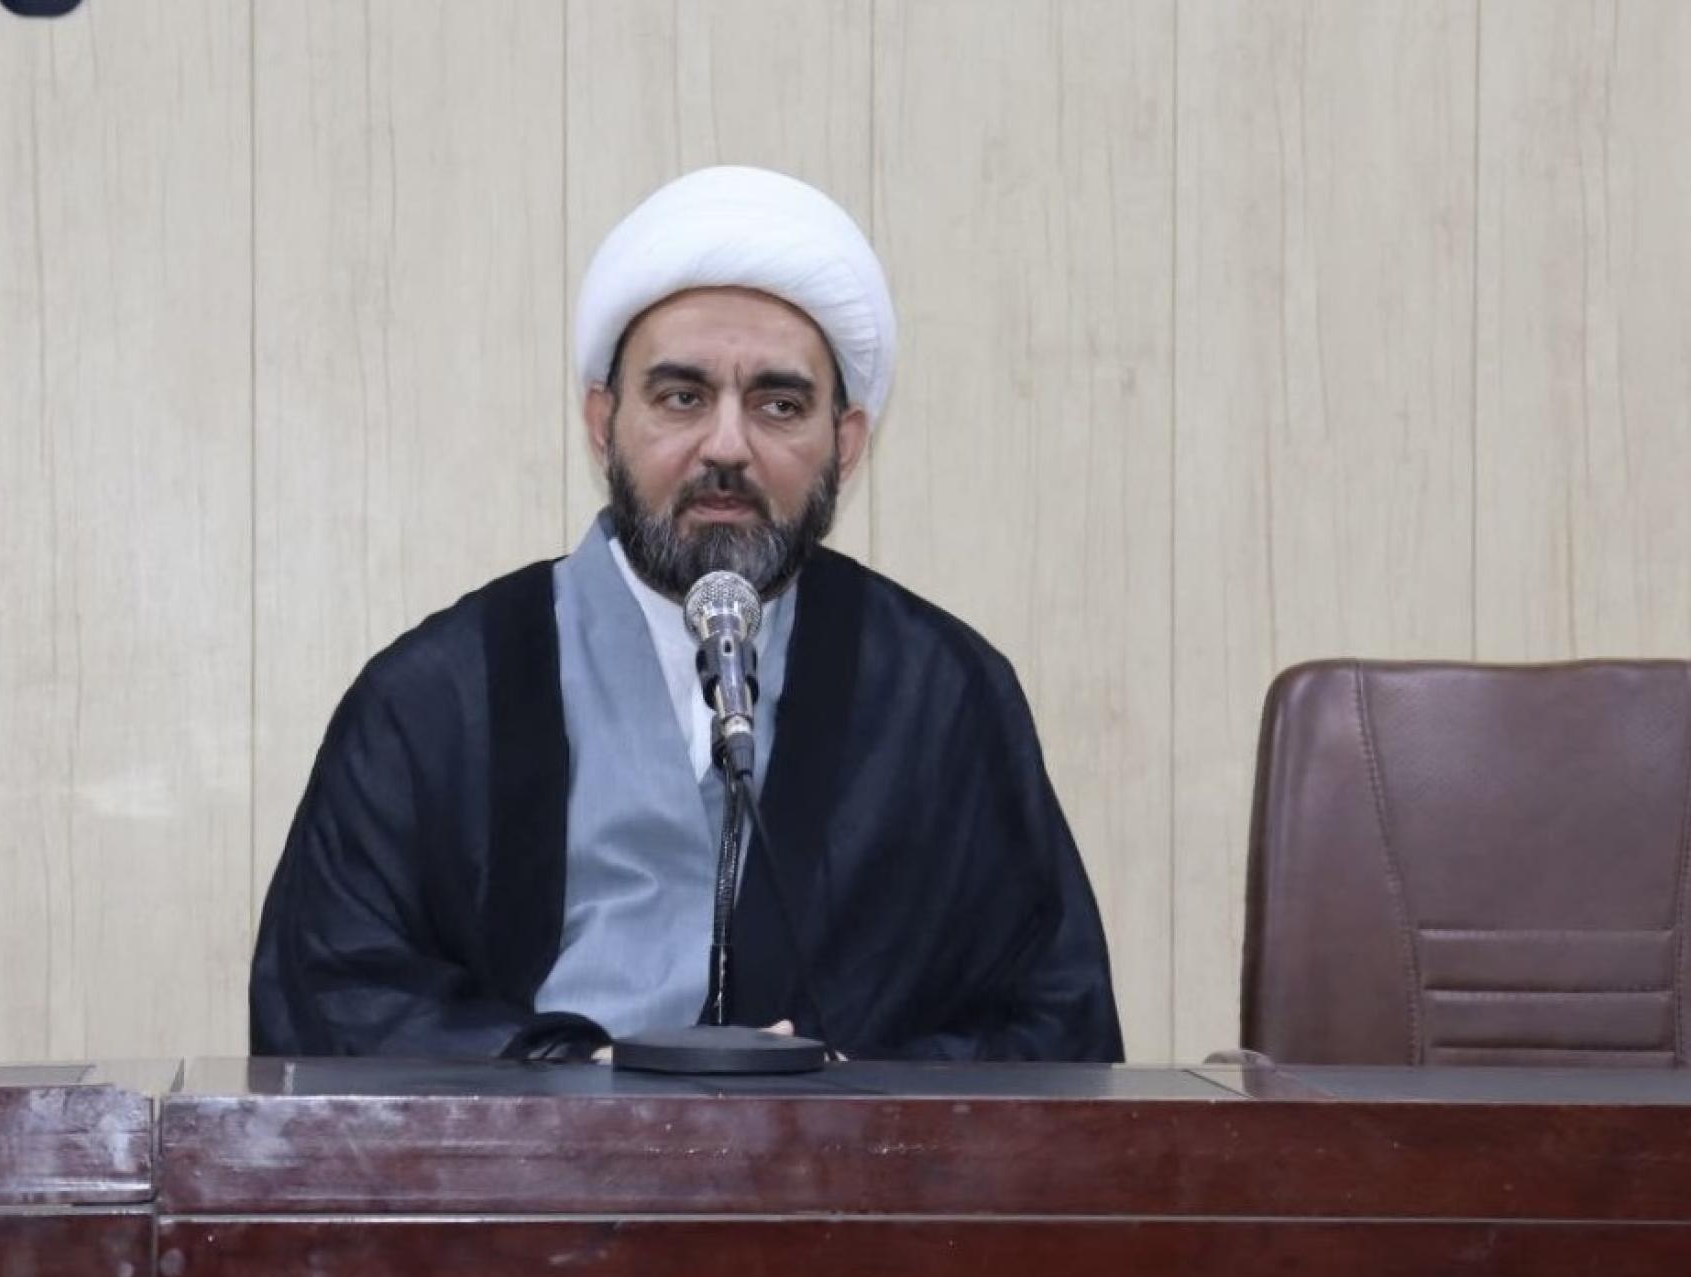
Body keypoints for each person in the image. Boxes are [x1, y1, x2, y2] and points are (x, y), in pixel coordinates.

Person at [250, 166, 1123, 1063]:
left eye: (779, 405)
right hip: (527, 1157)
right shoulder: (436, 696)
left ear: (846, 444)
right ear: (603, 424)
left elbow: (1054, 1026)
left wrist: (847, 1098)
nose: (727, 446)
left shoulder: (939, 696)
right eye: (682, 397)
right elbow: (330, 996)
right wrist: (556, 1071)